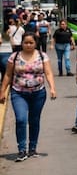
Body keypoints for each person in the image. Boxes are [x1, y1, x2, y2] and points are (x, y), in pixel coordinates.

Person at [0, 32, 57, 160]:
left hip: (38, 93)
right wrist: (2, 91)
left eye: (31, 43)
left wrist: (52, 88)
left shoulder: (42, 56)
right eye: (26, 42)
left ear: (35, 43)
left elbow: (48, 73)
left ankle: (32, 148)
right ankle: (21, 149)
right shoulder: (14, 57)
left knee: (34, 120)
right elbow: (8, 75)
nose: (28, 45)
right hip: (18, 92)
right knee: (21, 120)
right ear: (22, 43)